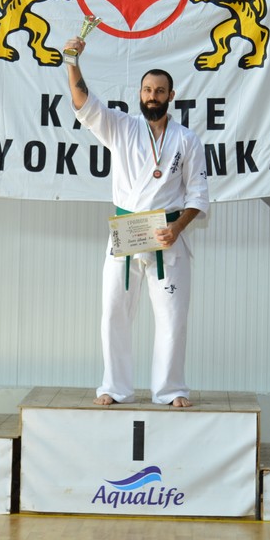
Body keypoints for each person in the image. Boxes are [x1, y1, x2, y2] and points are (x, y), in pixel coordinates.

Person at [63, 37, 209, 407]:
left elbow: (197, 195)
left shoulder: (187, 140)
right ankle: (115, 387)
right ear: (139, 94)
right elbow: (83, 102)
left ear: (171, 96)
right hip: (125, 236)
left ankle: (170, 389)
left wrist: (177, 228)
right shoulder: (121, 127)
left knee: (172, 318)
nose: (152, 96)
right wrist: (72, 62)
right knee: (114, 313)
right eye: (147, 90)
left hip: (167, 237)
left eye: (159, 91)